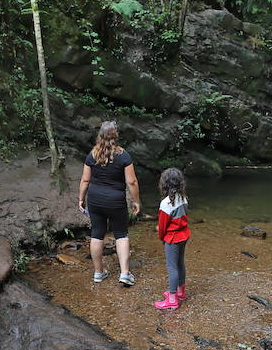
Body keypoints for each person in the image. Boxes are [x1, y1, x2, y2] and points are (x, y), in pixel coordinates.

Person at [77, 120, 140, 286]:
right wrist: (136, 201)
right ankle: (125, 273)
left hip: (95, 199)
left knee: (97, 233)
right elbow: (131, 182)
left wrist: (81, 199)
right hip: (116, 201)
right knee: (121, 234)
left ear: (100, 135)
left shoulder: (92, 155)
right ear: (116, 135)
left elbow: (85, 180)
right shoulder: (124, 156)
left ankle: (98, 273)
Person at [153, 167, 191, 309]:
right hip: (184, 235)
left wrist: (162, 238)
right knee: (180, 263)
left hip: (172, 238)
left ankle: (173, 298)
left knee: (172, 267)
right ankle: (181, 291)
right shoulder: (183, 198)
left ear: (164, 183)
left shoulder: (166, 204)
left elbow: (162, 226)